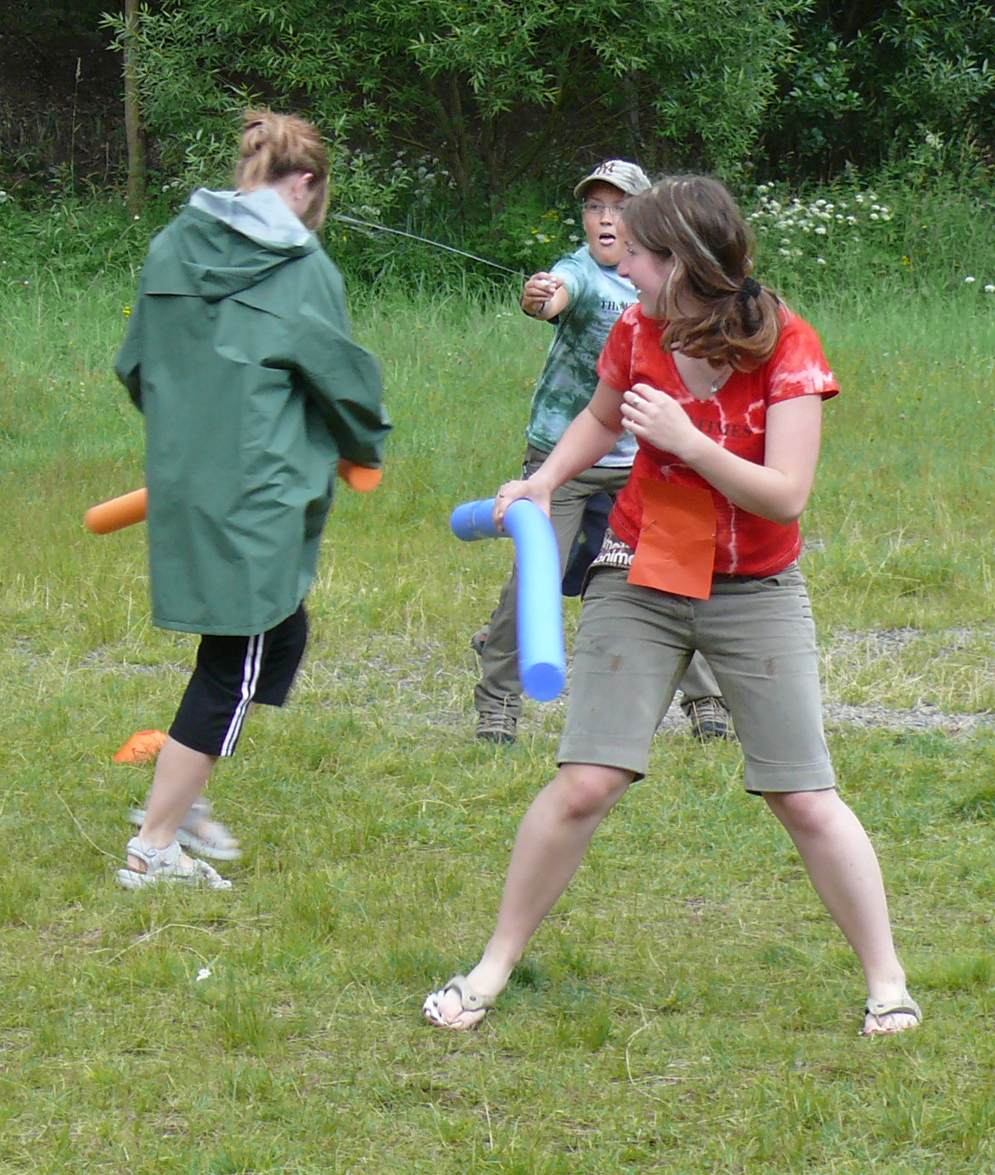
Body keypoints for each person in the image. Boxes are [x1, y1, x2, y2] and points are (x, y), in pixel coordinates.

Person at [425, 176, 920, 1037]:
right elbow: (599, 417)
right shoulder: (635, 327)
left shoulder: (788, 346)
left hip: (755, 586)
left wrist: (687, 442)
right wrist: (543, 482)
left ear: (682, 262)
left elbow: (786, 495)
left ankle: (888, 983)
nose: (623, 265)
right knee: (585, 782)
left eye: (639, 253)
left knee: (804, 795)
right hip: (641, 570)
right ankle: (492, 968)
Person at [112, 109, 390, 888]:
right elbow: (344, 384)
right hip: (257, 494)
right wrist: (365, 446)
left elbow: (137, 366)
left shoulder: (172, 244)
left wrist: (188, 437)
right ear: (303, 183)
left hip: (188, 481)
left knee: (277, 634)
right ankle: (157, 843)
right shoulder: (302, 267)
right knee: (242, 656)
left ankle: (182, 783)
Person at [472, 159, 730, 746]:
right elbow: (555, 295)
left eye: (619, 207)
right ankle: (498, 702)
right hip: (564, 455)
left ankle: (706, 699)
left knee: (674, 570)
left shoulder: (667, 281)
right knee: (534, 579)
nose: (606, 218)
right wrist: (541, 297)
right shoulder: (580, 270)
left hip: (647, 457)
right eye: (595, 207)